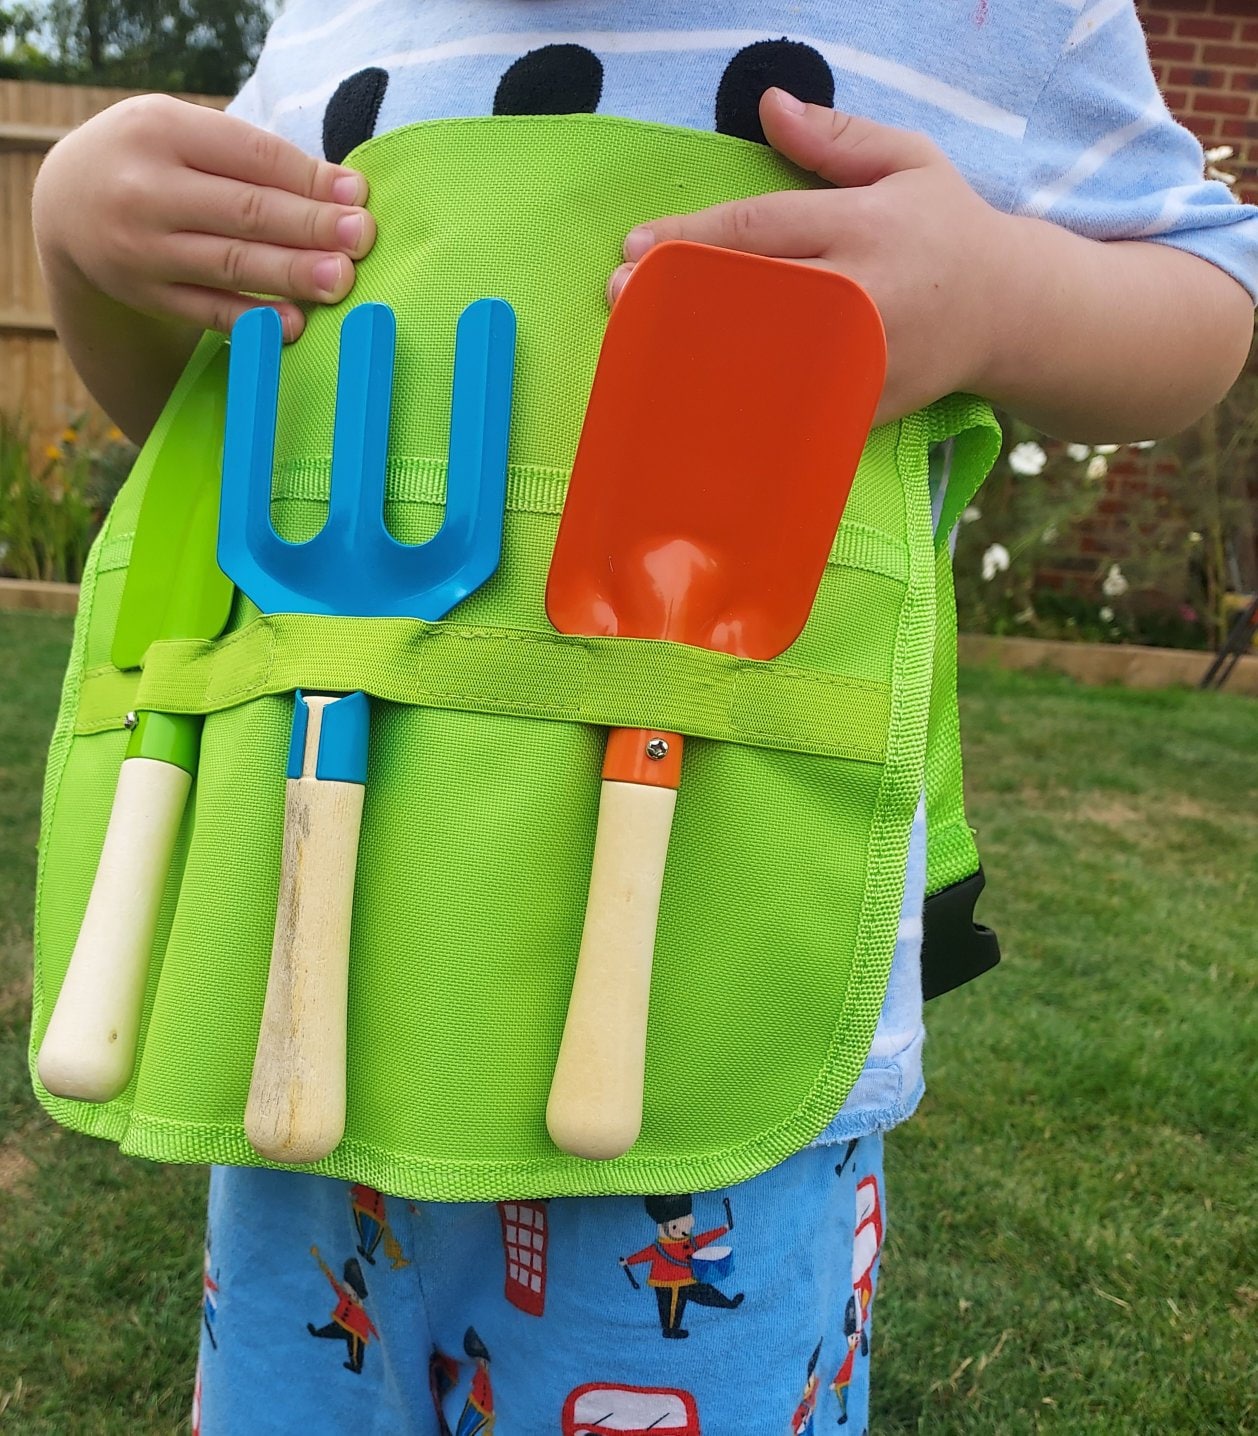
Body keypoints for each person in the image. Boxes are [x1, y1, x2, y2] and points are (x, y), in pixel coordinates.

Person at [30, 3, 1258, 1430]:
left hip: (700, 1031)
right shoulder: (326, 23)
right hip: (320, 991)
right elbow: (218, 409)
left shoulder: (995, 22)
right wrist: (80, 243)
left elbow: (1206, 298)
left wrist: (997, 295)